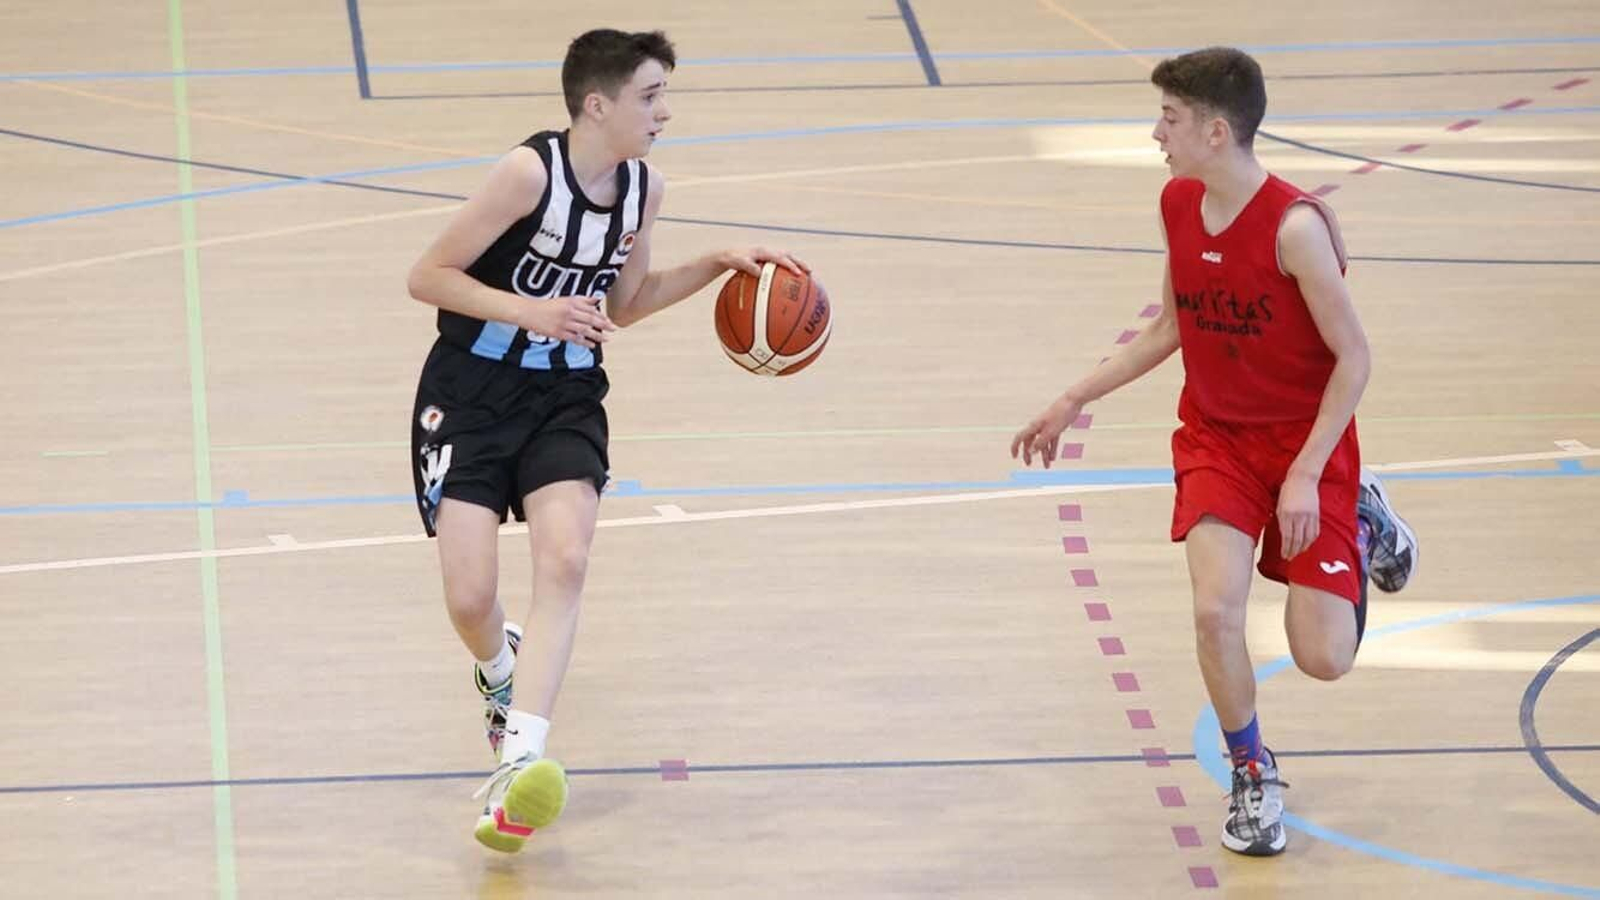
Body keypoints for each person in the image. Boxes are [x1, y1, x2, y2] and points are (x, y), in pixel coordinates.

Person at [405, 27, 805, 853]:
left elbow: (624, 302)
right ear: (598, 104)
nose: (664, 113)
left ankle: (520, 762)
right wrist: (532, 310)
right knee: (470, 599)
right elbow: (429, 276)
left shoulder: (644, 190)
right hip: (470, 392)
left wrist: (717, 265)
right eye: (650, 96)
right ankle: (499, 671)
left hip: (565, 393)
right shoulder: (527, 174)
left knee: (567, 558)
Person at [1010, 46, 1417, 856]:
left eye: (1169, 118)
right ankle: (1251, 771)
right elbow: (1170, 326)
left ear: (1216, 131)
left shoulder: (1297, 229)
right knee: (1212, 609)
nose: (1155, 134)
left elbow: (1356, 359)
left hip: (1307, 451)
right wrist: (1072, 397)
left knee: (1323, 658)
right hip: (1217, 441)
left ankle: (1364, 518)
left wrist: (1307, 473)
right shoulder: (1177, 204)